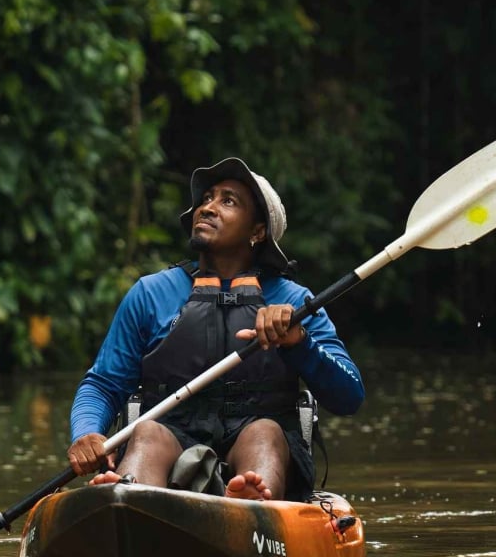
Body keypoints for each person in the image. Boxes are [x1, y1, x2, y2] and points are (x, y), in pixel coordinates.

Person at [66, 158, 364, 501]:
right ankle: (127, 501)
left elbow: (349, 396)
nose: (207, 208)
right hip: (171, 435)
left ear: (257, 231)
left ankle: (253, 504)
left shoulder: (295, 302)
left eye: (228, 201)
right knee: (146, 432)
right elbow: (103, 384)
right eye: (205, 198)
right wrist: (87, 432)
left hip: (259, 440)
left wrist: (300, 343)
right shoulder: (150, 294)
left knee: (264, 433)